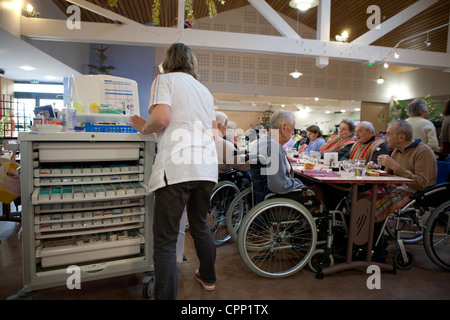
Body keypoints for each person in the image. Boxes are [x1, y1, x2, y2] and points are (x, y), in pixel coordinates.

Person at [129, 43, 218, 299]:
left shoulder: (164, 80)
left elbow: (162, 118)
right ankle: (209, 277)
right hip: (206, 168)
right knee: (200, 224)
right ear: (192, 63)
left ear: (168, 61)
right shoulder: (204, 91)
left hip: (177, 167)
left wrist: (145, 127)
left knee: (166, 241)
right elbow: (214, 133)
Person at [364, 120, 437, 262]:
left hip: (415, 192)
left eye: (389, 133)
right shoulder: (397, 151)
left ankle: (376, 250)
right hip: (398, 187)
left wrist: (396, 166)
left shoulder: (423, 151)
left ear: (401, 137)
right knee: (362, 198)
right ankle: (370, 242)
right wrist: (375, 169)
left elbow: (422, 183)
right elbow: (389, 173)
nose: (386, 136)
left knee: (373, 205)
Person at [249, 110, 323, 214]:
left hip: (262, 197)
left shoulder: (261, 142)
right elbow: (278, 185)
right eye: (292, 128)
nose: (293, 132)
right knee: (318, 192)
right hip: (277, 201)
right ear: (283, 127)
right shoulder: (274, 146)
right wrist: (299, 184)